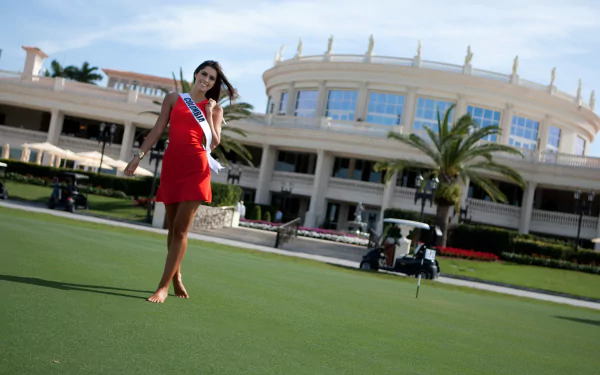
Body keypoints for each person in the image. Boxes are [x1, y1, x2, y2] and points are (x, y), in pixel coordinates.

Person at [124, 60, 238, 303]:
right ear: (196, 74)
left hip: (197, 169)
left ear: (214, 84)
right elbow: (156, 130)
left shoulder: (215, 110)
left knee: (181, 230)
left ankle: (162, 286)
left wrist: (207, 113)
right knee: (172, 226)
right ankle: (176, 276)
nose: (206, 80)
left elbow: (214, 142)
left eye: (211, 78)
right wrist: (138, 157)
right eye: (203, 74)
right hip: (172, 167)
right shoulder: (173, 99)